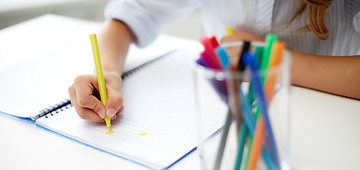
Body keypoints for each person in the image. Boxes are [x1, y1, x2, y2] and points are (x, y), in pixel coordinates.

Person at [68, 0, 360, 123]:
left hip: (333, 119)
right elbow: (129, 15)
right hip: (222, 116)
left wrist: (277, 61)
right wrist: (108, 72)